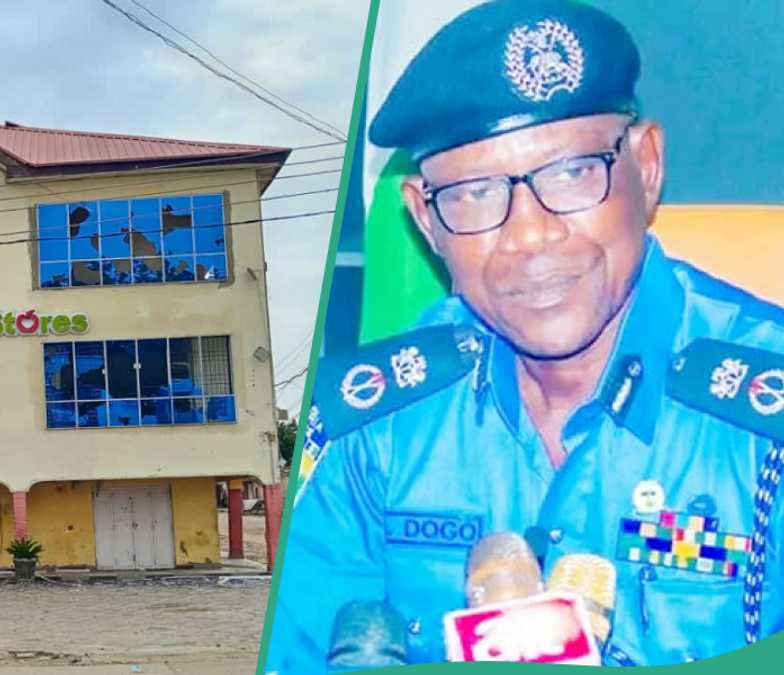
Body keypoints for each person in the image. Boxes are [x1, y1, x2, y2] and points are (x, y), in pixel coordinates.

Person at [265, 0, 784, 670]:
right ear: (427, 221)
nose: (531, 235)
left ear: (646, 167)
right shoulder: (372, 428)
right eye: (476, 193)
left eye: (573, 172)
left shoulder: (762, 418)